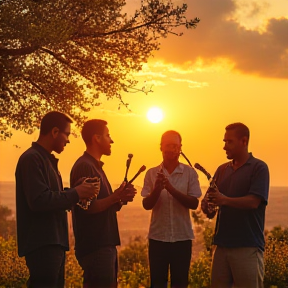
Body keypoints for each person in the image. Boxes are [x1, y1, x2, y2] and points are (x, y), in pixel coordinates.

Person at [15, 111, 98, 288]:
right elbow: (39, 200)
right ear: (54, 132)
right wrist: (76, 193)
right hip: (43, 244)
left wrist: (77, 190)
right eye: (66, 134)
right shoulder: (32, 159)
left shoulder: (45, 159)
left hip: (53, 243)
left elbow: (52, 196)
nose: (68, 140)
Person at [70, 119, 137, 288]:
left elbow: (103, 205)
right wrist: (115, 197)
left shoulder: (95, 167)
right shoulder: (85, 167)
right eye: (108, 136)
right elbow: (89, 208)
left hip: (103, 246)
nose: (112, 140)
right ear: (96, 138)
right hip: (96, 247)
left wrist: (120, 198)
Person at [208, 122, 270, 288]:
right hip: (221, 247)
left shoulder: (259, 168)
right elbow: (211, 204)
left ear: (244, 141)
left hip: (248, 247)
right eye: (224, 141)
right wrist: (208, 206)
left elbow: (254, 202)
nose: (224, 147)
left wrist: (223, 200)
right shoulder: (221, 170)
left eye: (229, 142)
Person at [141, 130, 202, 288]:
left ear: (180, 148)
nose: (172, 149)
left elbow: (194, 203)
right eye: (168, 145)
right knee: (157, 283)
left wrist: (170, 188)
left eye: (175, 146)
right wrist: (157, 189)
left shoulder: (189, 173)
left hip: (182, 239)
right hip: (157, 239)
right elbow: (147, 205)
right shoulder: (151, 173)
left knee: (180, 283)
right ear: (160, 147)